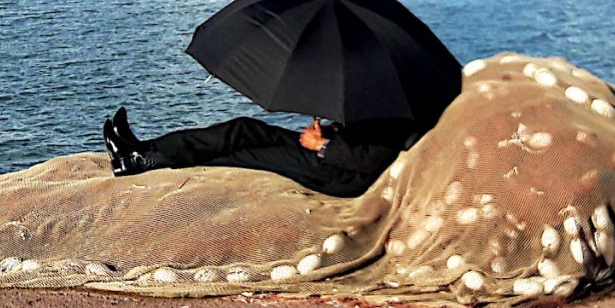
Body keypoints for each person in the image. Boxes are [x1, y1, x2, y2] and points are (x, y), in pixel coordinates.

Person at [102, 108, 422, 197]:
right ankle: (144, 150)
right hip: (334, 157)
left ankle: (141, 161)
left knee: (244, 154)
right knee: (245, 128)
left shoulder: (398, 111)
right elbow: (366, 141)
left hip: (339, 174)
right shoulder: (384, 102)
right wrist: (335, 131)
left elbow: (368, 161)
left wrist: (322, 145)